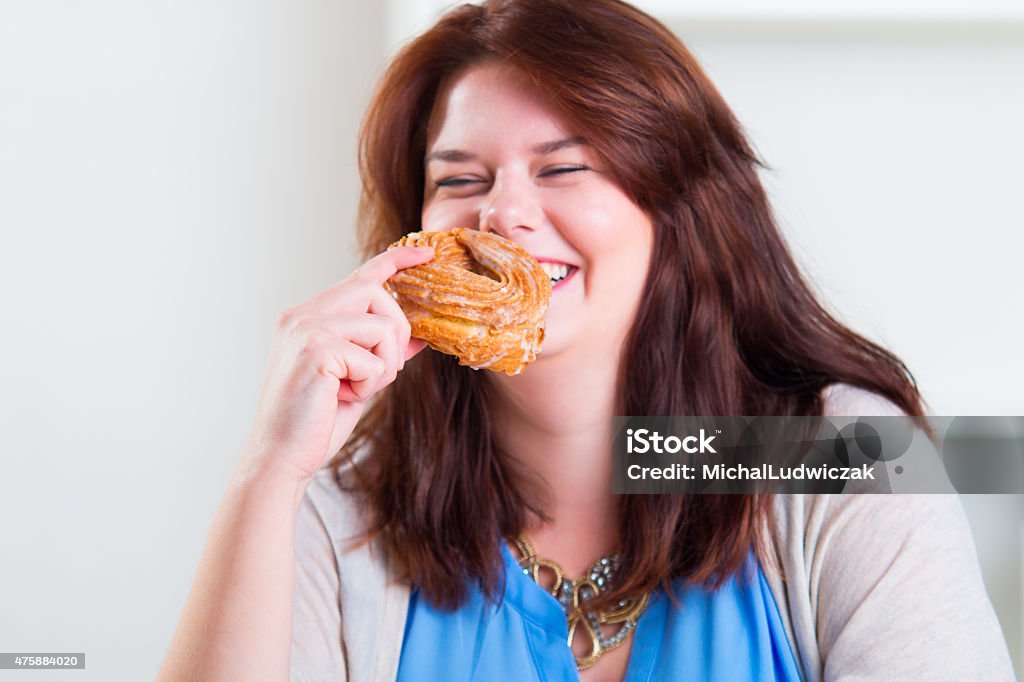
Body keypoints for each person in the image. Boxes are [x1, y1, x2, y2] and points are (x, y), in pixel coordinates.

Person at [158, 1, 1016, 680]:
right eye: (459, 178)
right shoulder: (339, 506)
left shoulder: (844, 463)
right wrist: (268, 471)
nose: (503, 213)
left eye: (565, 167)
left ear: (676, 207)